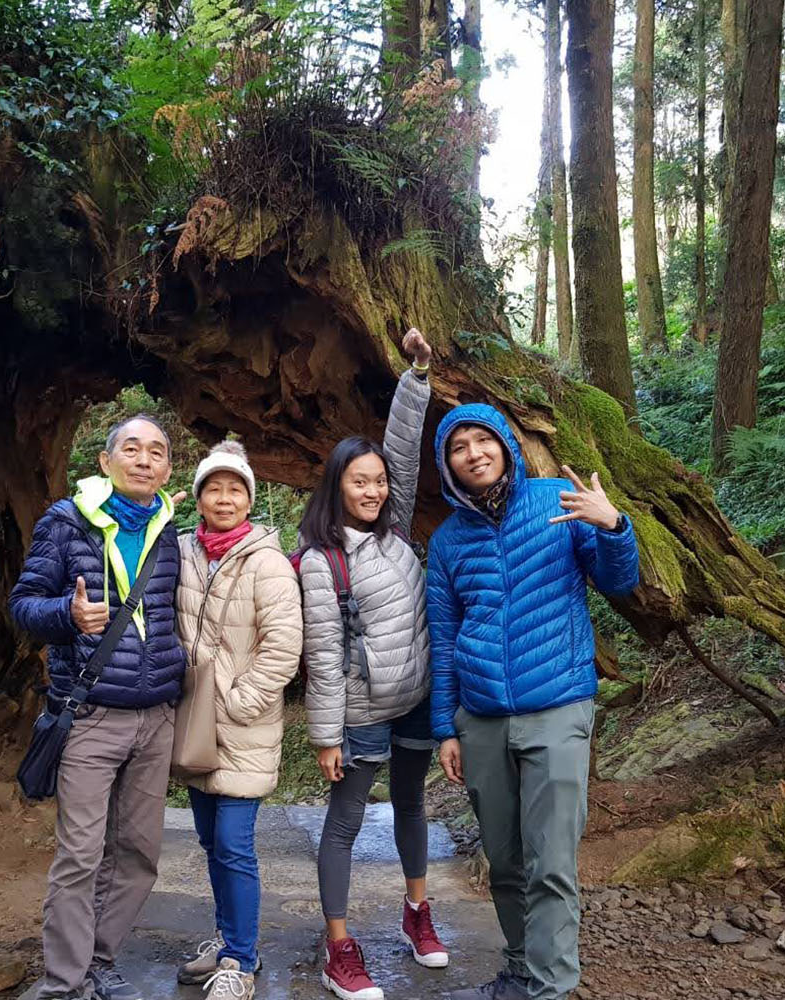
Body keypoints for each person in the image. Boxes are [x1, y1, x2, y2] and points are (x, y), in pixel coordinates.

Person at [424, 404, 641, 1000]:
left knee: (551, 862)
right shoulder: (446, 542)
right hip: (483, 720)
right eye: (458, 447)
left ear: (506, 446)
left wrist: (613, 525)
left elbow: (619, 581)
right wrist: (446, 727)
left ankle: (551, 986)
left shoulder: (556, 502)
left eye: (483, 440)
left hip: (557, 708)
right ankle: (521, 965)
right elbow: (443, 640)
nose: (473, 453)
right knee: (506, 861)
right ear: (448, 466)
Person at [8, 414, 186, 1000]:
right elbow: (23, 606)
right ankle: (64, 981)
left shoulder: (167, 531)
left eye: (156, 452)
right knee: (80, 853)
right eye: (130, 449)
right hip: (89, 714)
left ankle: (100, 959)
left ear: (166, 468)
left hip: (156, 716)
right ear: (106, 462)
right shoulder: (66, 524)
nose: (143, 460)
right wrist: (67, 614)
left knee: (139, 852)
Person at [299, 329, 446, 1000]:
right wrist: (325, 735)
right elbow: (323, 655)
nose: (374, 490)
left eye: (378, 482)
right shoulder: (320, 560)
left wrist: (417, 374)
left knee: (412, 803)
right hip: (359, 710)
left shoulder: (396, 526)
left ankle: (417, 912)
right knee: (347, 823)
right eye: (360, 481)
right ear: (338, 486)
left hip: (413, 695)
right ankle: (338, 947)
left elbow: (407, 453)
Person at [170, 440, 304, 1000]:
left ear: (249, 498)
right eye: (213, 488)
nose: (224, 498)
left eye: (235, 489)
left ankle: (242, 960)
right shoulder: (178, 552)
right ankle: (225, 940)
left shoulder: (267, 561)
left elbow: (284, 645)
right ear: (198, 497)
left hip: (243, 723)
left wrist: (240, 701)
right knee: (208, 840)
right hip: (193, 723)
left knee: (232, 843)